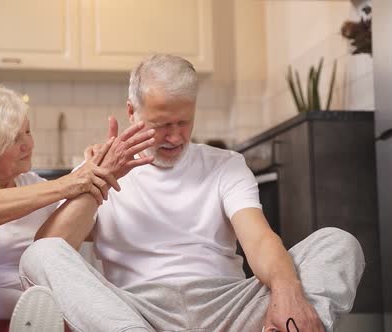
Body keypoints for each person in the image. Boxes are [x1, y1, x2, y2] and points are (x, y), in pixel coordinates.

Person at [18, 54, 366, 332]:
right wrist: (100, 182)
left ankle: (286, 327)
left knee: (338, 244)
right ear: (131, 112)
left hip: (227, 307)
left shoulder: (225, 165)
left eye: (184, 122)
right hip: (137, 311)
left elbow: (259, 241)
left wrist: (287, 294)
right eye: (162, 124)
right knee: (39, 255)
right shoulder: (98, 169)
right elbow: (52, 247)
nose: (175, 137)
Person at [0, 84, 155, 332]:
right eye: (14, 139)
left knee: (55, 263)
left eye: (27, 132)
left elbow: (67, 243)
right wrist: (67, 184)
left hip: (24, 321)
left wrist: (100, 175)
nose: (28, 144)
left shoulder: (33, 186)